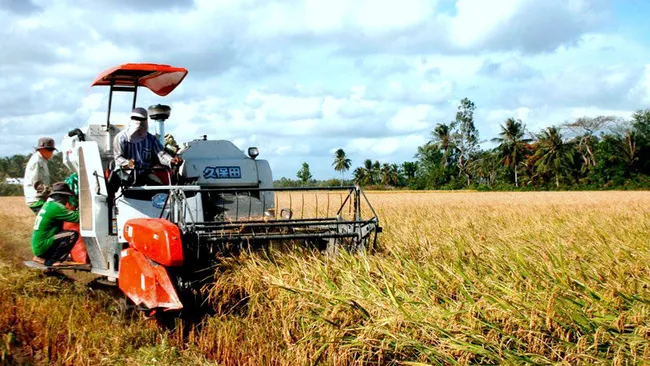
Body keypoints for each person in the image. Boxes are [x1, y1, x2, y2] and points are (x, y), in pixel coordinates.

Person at [31, 182, 80, 266]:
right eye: (66, 197)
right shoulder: (56, 207)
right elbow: (77, 218)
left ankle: (43, 258)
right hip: (43, 246)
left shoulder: (48, 205)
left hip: (39, 246)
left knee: (63, 233)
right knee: (72, 234)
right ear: (59, 196)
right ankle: (53, 261)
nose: (67, 200)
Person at [23, 137, 56, 214]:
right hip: (37, 200)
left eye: (52, 150)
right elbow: (37, 184)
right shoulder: (37, 161)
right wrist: (53, 193)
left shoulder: (42, 160)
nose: (51, 153)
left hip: (40, 198)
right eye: (50, 150)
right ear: (42, 150)